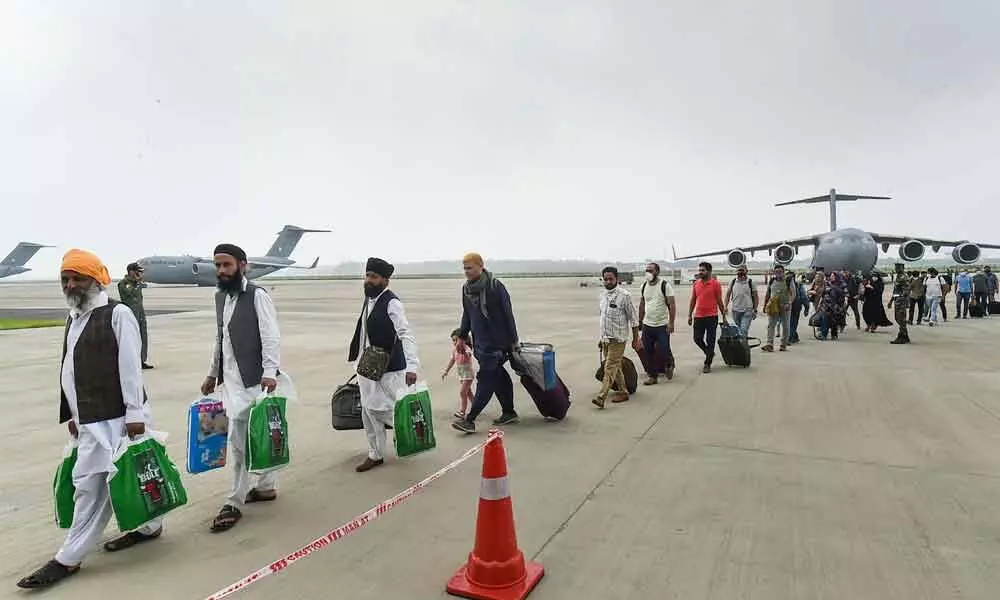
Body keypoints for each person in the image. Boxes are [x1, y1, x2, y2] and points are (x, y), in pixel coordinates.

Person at [18, 250, 161, 590]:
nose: (70, 284)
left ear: (97, 279)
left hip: (117, 417)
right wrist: (72, 414)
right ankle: (149, 528)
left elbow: (130, 367)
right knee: (133, 478)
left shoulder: (118, 313)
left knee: (92, 488)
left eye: (77, 278)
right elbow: (70, 367)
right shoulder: (75, 315)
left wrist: (134, 416)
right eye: (65, 279)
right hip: (88, 419)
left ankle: (68, 558)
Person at [199, 244, 282, 532]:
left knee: (245, 439)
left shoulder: (258, 295)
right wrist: (212, 373)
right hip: (230, 381)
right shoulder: (221, 296)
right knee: (243, 438)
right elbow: (220, 338)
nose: (221, 271)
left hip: (255, 380)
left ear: (243, 265)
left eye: (227, 265)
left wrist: (270, 372)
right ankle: (266, 486)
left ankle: (234, 501)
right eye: (218, 265)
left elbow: (271, 336)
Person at [348, 257, 420, 472]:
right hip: (366, 367)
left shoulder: (392, 302)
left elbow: (406, 334)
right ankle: (375, 453)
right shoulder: (369, 299)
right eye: (367, 276)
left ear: (385, 281)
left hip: (388, 369)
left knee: (386, 408)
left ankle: (410, 434)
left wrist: (412, 366)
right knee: (368, 413)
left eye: (374, 277)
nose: (368, 280)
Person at [451, 253, 520, 434]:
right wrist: (461, 336)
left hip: (497, 343)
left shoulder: (495, 286)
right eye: (464, 268)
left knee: (486, 379)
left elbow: (508, 314)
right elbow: (467, 314)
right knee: (499, 377)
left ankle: (470, 419)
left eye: (470, 268)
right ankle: (509, 412)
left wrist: (514, 340)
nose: (466, 272)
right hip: (480, 343)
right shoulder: (466, 289)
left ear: (481, 266)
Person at [594, 266, 640, 408]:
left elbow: (633, 319)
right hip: (606, 339)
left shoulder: (624, 296)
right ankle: (623, 391)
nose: (608, 281)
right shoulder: (602, 296)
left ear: (617, 279)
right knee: (616, 367)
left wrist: (635, 338)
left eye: (611, 278)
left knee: (609, 367)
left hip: (618, 339)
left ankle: (602, 396)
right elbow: (603, 318)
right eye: (605, 279)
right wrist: (601, 339)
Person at [637, 262, 677, 384]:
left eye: (651, 270)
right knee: (648, 351)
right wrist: (640, 320)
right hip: (647, 325)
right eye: (647, 270)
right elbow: (642, 304)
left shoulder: (665, 285)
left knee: (664, 349)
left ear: (657, 272)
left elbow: (672, 305)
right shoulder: (644, 286)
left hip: (662, 325)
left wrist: (671, 323)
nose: (648, 273)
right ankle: (652, 376)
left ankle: (669, 364)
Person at [687, 262, 726, 373]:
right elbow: (693, 300)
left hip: (712, 316)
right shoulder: (696, 284)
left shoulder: (715, 284)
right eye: (699, 270)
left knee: (710, 340)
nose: (700, 272)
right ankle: (709, 352)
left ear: (709, 271)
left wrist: (724, 316)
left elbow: (719, 301)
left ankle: (707, 363)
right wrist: (690, 315)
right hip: (699, 316)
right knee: (697, 338)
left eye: (702, 270)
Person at [117, 262, 154, 369]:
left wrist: (138, 282)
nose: (139, 274)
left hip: (140, 313)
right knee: (132, 339)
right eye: (137, 271)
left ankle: (141, 360)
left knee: (143, 337)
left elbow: (144, 285)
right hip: (130, 314)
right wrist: (137, 283)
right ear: (131, 272)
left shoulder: (137, 283)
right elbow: (130, 292)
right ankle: (132, 361)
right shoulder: (123, 283)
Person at [442, 328, 475, 420]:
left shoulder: (466, 349)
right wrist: (446, 371)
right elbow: (452, 360)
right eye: (453, 340)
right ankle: (476, 406)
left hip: (468, 375)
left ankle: (462, 412)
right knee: (468, 393)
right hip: (461, 375)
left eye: (456, 340)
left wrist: (463, 351)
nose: (455, 342)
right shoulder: (454, 350)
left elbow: (468, 354)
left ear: (463, 340)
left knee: (462, 393)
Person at [761, 265, 794, 351]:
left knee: (786, 326)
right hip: (773, 305)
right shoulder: (772, 281)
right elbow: (768, 293)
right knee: (771, 325)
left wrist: (789, 303)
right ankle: (769, 344)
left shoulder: (788, 280)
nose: (778, 274)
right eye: (776, 272)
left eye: (780, 272)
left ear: (783, 272)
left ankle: (783, 344)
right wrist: (764, 305)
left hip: (785, 305)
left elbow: (793, 293)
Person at [725, 266, 758, 337]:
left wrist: (755, 309)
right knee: (738, 330)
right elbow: (728, 295)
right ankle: (742, 345)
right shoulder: (733, 281)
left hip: (747, 310)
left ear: (747, 271)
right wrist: (725, 306)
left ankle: (743, 346)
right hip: (735, 310)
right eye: (739, 271)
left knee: (743, 330)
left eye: (742, 270)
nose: (740, 273)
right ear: (736, 272)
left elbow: (755, 297)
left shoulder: (751, 282)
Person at [817, 272, 847, 340]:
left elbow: (844, 293)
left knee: (834, 320)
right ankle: (823, 334)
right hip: (827, 305)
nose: (831, 277)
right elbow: (824, 293)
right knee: (825, 318)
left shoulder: (842, 284)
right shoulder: (828, 283)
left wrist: (833, 288)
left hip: (837, 306)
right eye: (831, 276)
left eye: (833, 276)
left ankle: (834, 335)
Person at [888, 263, 911, 344]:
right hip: (897, 301)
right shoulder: (898, 277)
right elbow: (896, 291)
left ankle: (901, 337)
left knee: (901, 319)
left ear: (903, 268)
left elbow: (906, 291)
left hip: (901, 302)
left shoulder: (904, 277)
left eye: (898, 267)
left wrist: (903, 300)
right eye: (896, 267)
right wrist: (891, 301)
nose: (896, 269)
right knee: (898, 319)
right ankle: (905, 336)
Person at [788, 272, 809, 344]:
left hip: (787, 306)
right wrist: (807, 308)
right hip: (796, 306)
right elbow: (804, 297)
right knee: (793, 322)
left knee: (789, 322)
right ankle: (791, 337)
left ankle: (793, 336)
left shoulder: (784, 284)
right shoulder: (798, 285)